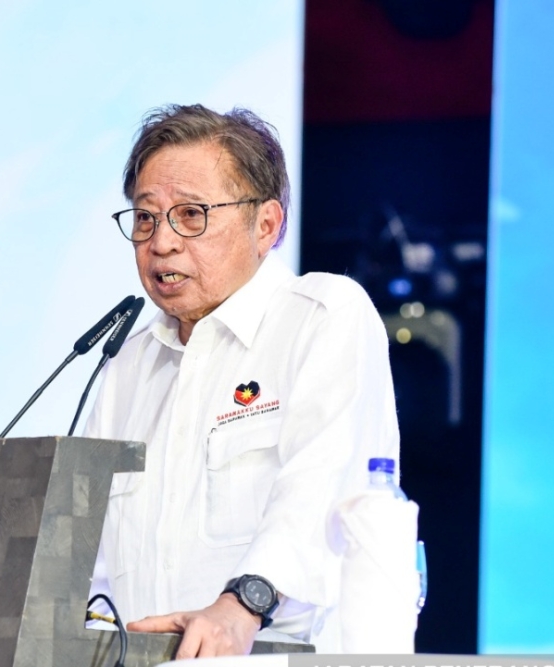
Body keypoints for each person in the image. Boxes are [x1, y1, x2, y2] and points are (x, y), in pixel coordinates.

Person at [83, 104, 401, 658]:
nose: (161, 243)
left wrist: (242, 605)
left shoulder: (321, 317)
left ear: (267, 225)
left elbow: (320, 485)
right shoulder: (124, 368)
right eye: (145, 217)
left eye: (191, 215)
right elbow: (89, 559)